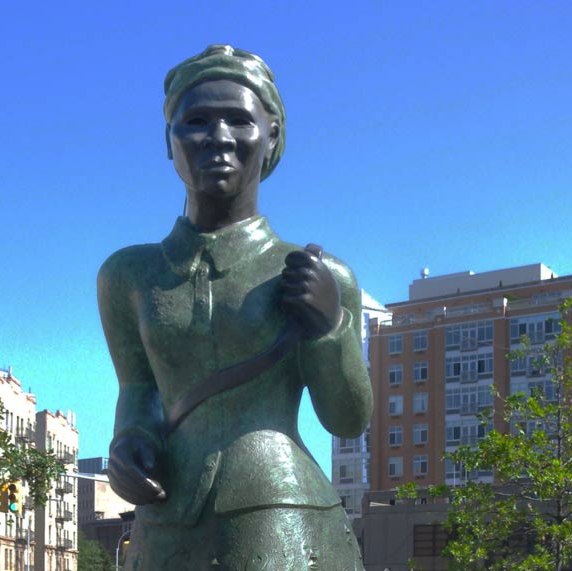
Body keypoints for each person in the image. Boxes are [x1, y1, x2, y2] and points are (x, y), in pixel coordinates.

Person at [97, 45, 372, 570]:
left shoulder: (320, 274)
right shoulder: (127, 275)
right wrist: (129, 443)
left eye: (239, 120)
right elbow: (138, 390)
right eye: (196, 120)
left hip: (280, 514)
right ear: (169, 140)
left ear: (271, 138)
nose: (218, 137)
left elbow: (348, 418)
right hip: (165, 521)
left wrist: (329, 328)